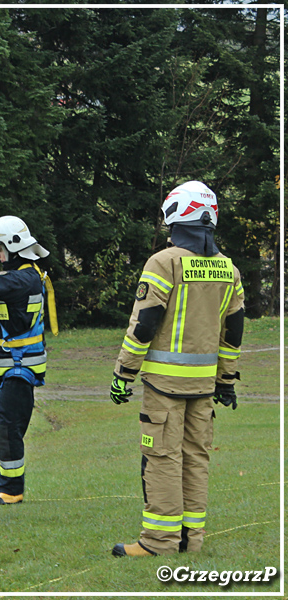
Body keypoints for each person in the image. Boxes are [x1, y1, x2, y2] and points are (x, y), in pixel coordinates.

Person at [110, 181, 244, 557]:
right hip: (204, 386)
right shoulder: (227, 269)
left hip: (165, 387)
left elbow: (145, 325)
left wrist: (124, 374)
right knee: (196, 457)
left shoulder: (164, 262)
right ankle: (191, 540)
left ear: (176, 216)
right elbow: (233, 332)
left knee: (162, 458)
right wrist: (226, 380)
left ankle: (158, 543)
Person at [0, 216, 56, 506]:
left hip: (21, 369)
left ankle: (13, 489)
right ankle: (3, 482)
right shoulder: (21, 275)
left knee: (8, 426)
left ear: (14, 246)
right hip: (10, 368)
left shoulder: (24, 278)